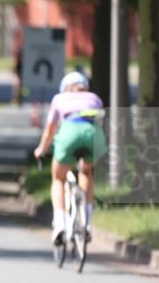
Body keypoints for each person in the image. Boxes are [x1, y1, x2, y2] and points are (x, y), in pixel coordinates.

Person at [33, 71, 107, 243]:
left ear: (65, 88)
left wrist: (41, 149)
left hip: (69, 133)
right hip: (93, 135)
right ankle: (87, 223)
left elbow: (50, 130)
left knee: (58, 178)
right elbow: (100, 121)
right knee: (86, 172)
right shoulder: (94, 98)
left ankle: (60, 223)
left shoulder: (59, 99)